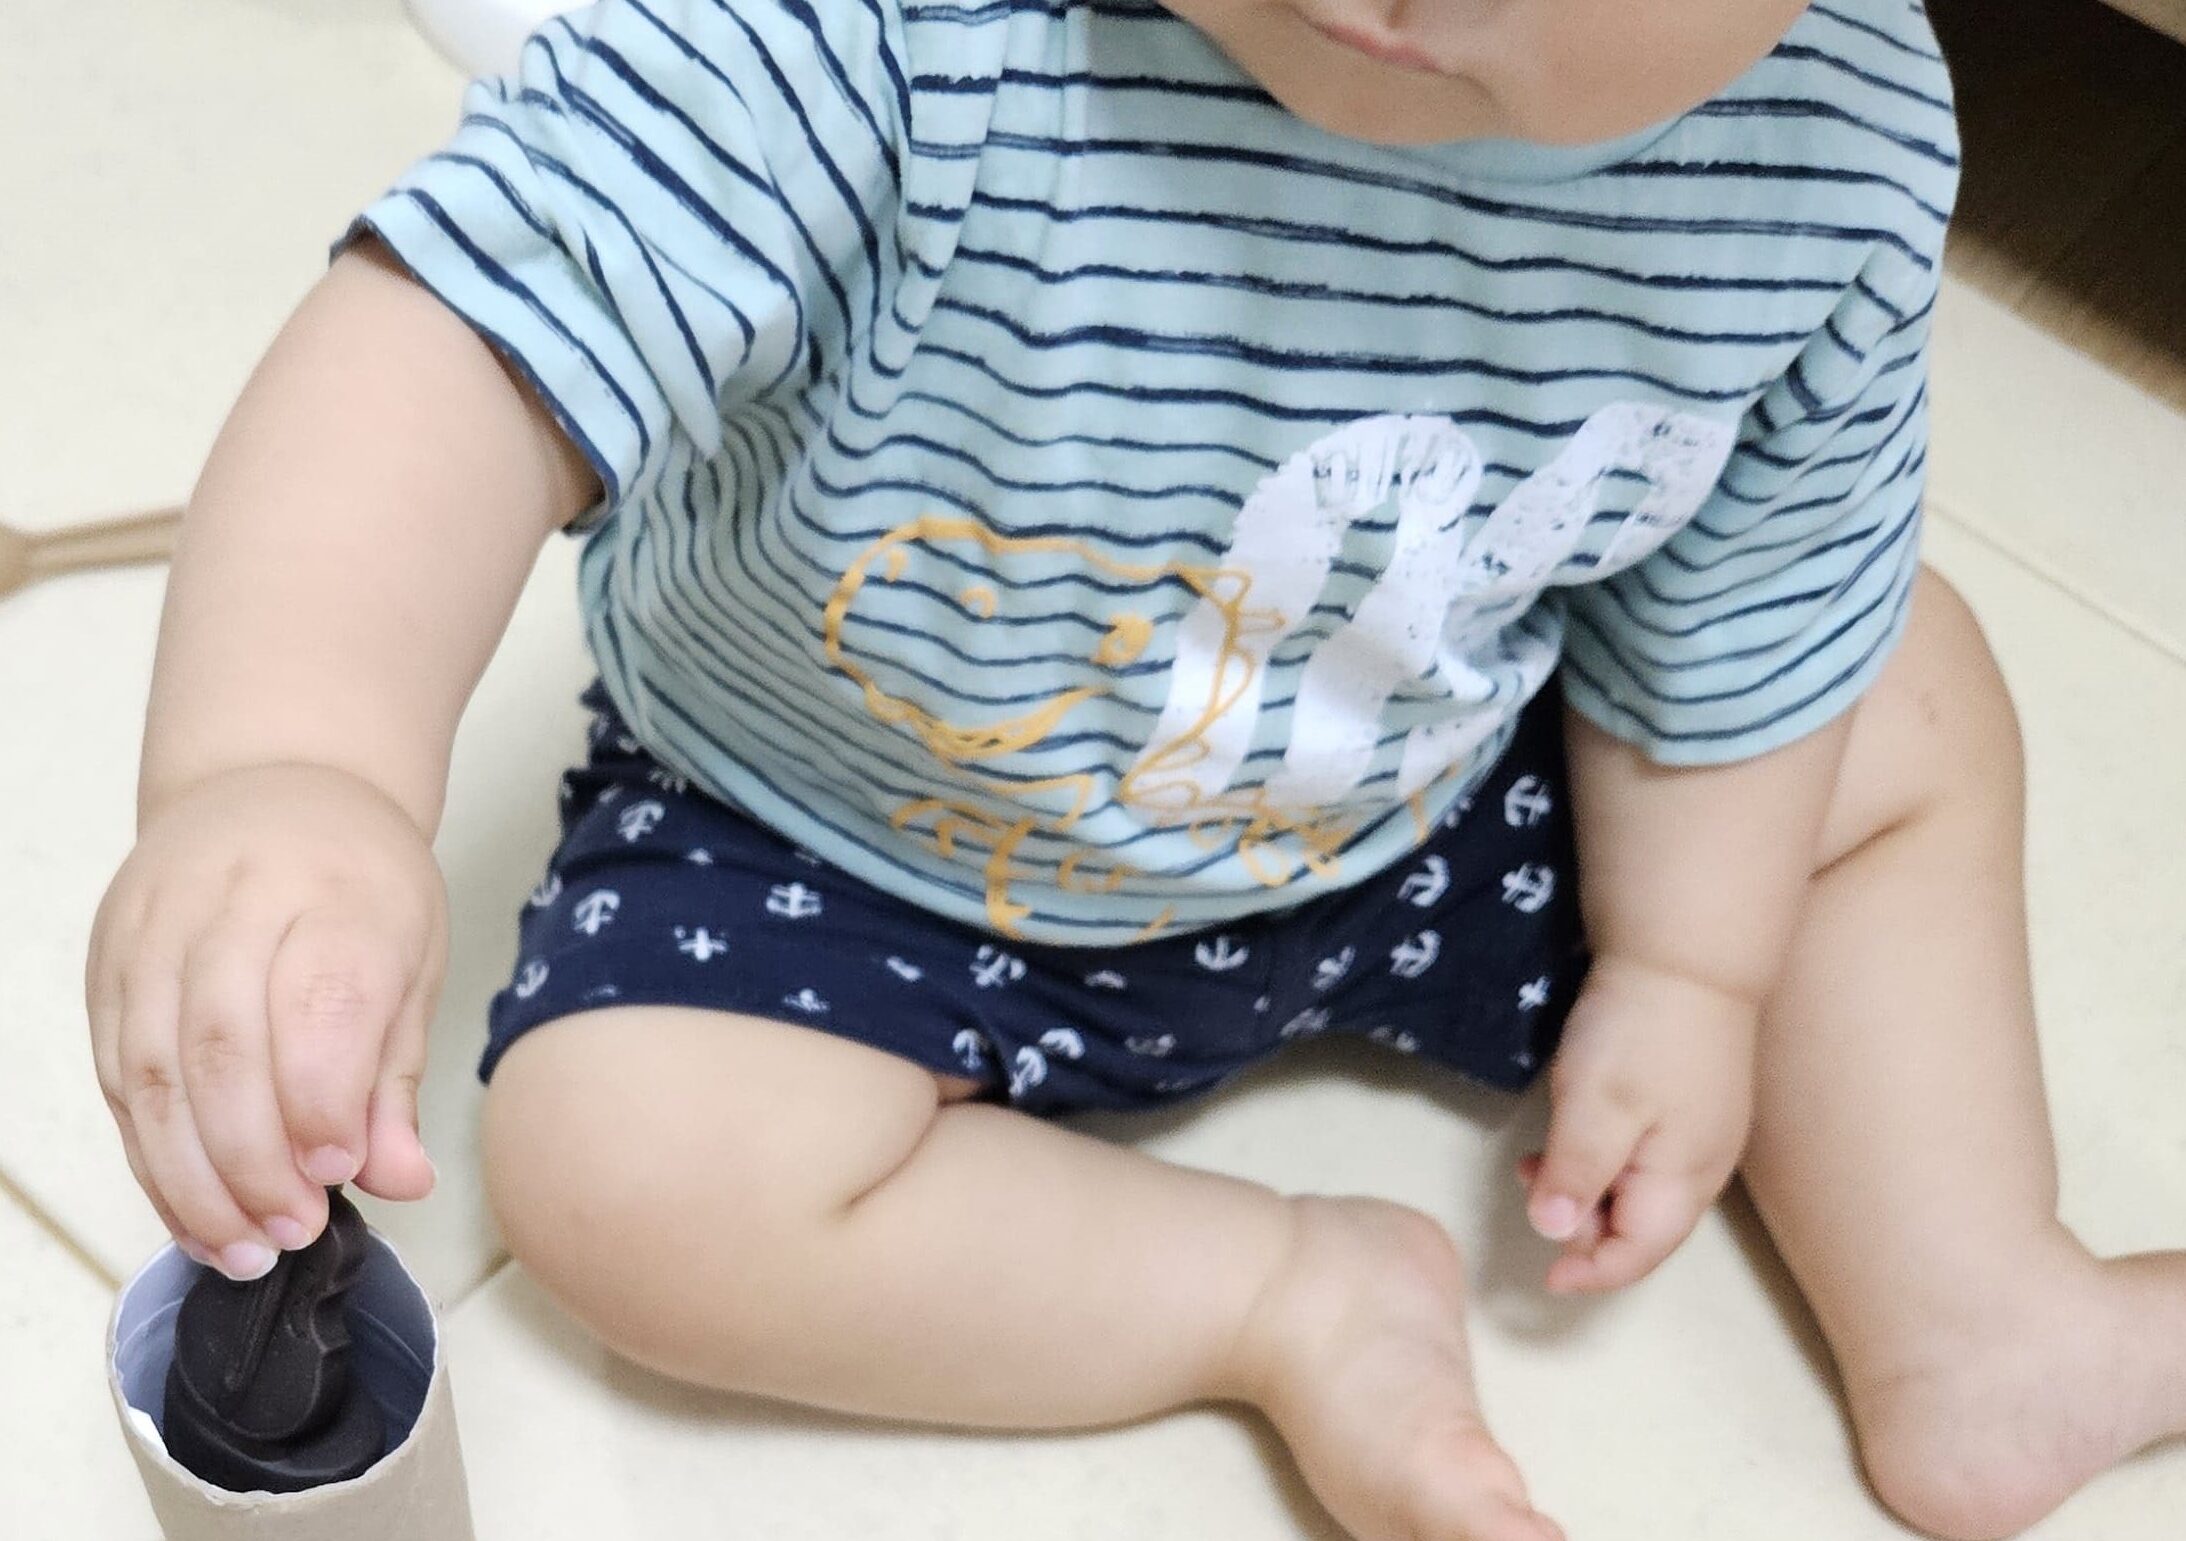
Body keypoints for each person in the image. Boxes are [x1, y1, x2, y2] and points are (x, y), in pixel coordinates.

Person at [85, 2, 2186, 1537]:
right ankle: (1276, 1298)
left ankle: (1970, 1306)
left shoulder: (1828, 141)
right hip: (848, 828)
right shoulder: (894, 34)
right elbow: (456, 341)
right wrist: (289, 764)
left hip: (1415, 782)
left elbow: (1756, 598)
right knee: (625, 1176)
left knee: (1898, 682)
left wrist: (1697, 969)